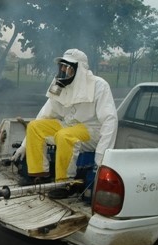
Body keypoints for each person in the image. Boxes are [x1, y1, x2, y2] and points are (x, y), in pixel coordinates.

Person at [12, 48, 118, 186]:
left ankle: (65, 183)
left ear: (79, 69)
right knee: (34, 127)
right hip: (69, 126)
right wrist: (24, 146)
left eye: (67, 66)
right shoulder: (59, 85)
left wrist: (101, 156)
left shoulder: (99, 86)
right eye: (62, 65)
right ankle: (38, 175)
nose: (63, 69)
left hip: (92, 130)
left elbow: (110, 120)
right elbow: (44, 115)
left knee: (64, 135)